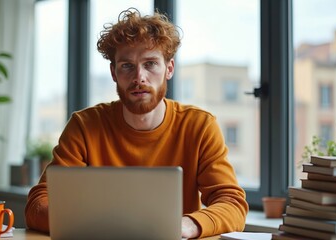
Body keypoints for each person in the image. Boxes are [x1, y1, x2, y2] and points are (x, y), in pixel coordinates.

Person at [25, 8, 248, 239]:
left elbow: (232, 204)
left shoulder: (199, 126)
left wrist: (188, 224)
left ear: (168, 69)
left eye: (150, 64)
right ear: (113, 72)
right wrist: (100, 225)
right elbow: (37, 205)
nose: (139, 77)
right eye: (127, 66)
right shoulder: (84, 125)